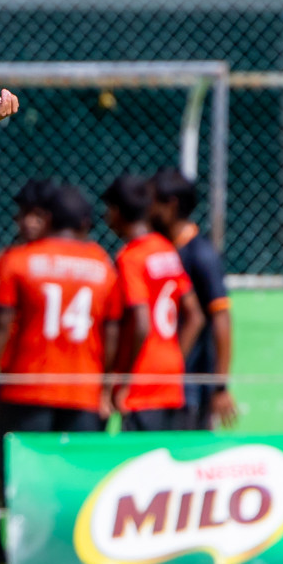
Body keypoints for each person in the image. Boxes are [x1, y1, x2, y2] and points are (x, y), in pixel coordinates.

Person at [0, 183, 119, 564]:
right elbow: (114, 328)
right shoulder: (103, 264)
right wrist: (108, 385)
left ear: (47, 218)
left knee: (23, 483)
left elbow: (2, 325)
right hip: (84, 390)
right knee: (75, 482)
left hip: (27, 387)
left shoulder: (20, 259)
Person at [102, 175, 205, 431]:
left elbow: (141, 323)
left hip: (142, 380)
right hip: (170, 377)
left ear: (116, 212)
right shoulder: (165, 248)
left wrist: (122, 381)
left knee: (137, 464)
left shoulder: (130, 258)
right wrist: (174, 359)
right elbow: (196, 316)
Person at [150, 167, 237, 429]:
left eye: (152, 202)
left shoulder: (201, 255)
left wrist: (219, 386)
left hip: (191, 390)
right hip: (161, 387)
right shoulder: (160, 251)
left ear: (171, 206)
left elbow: (221, 320)